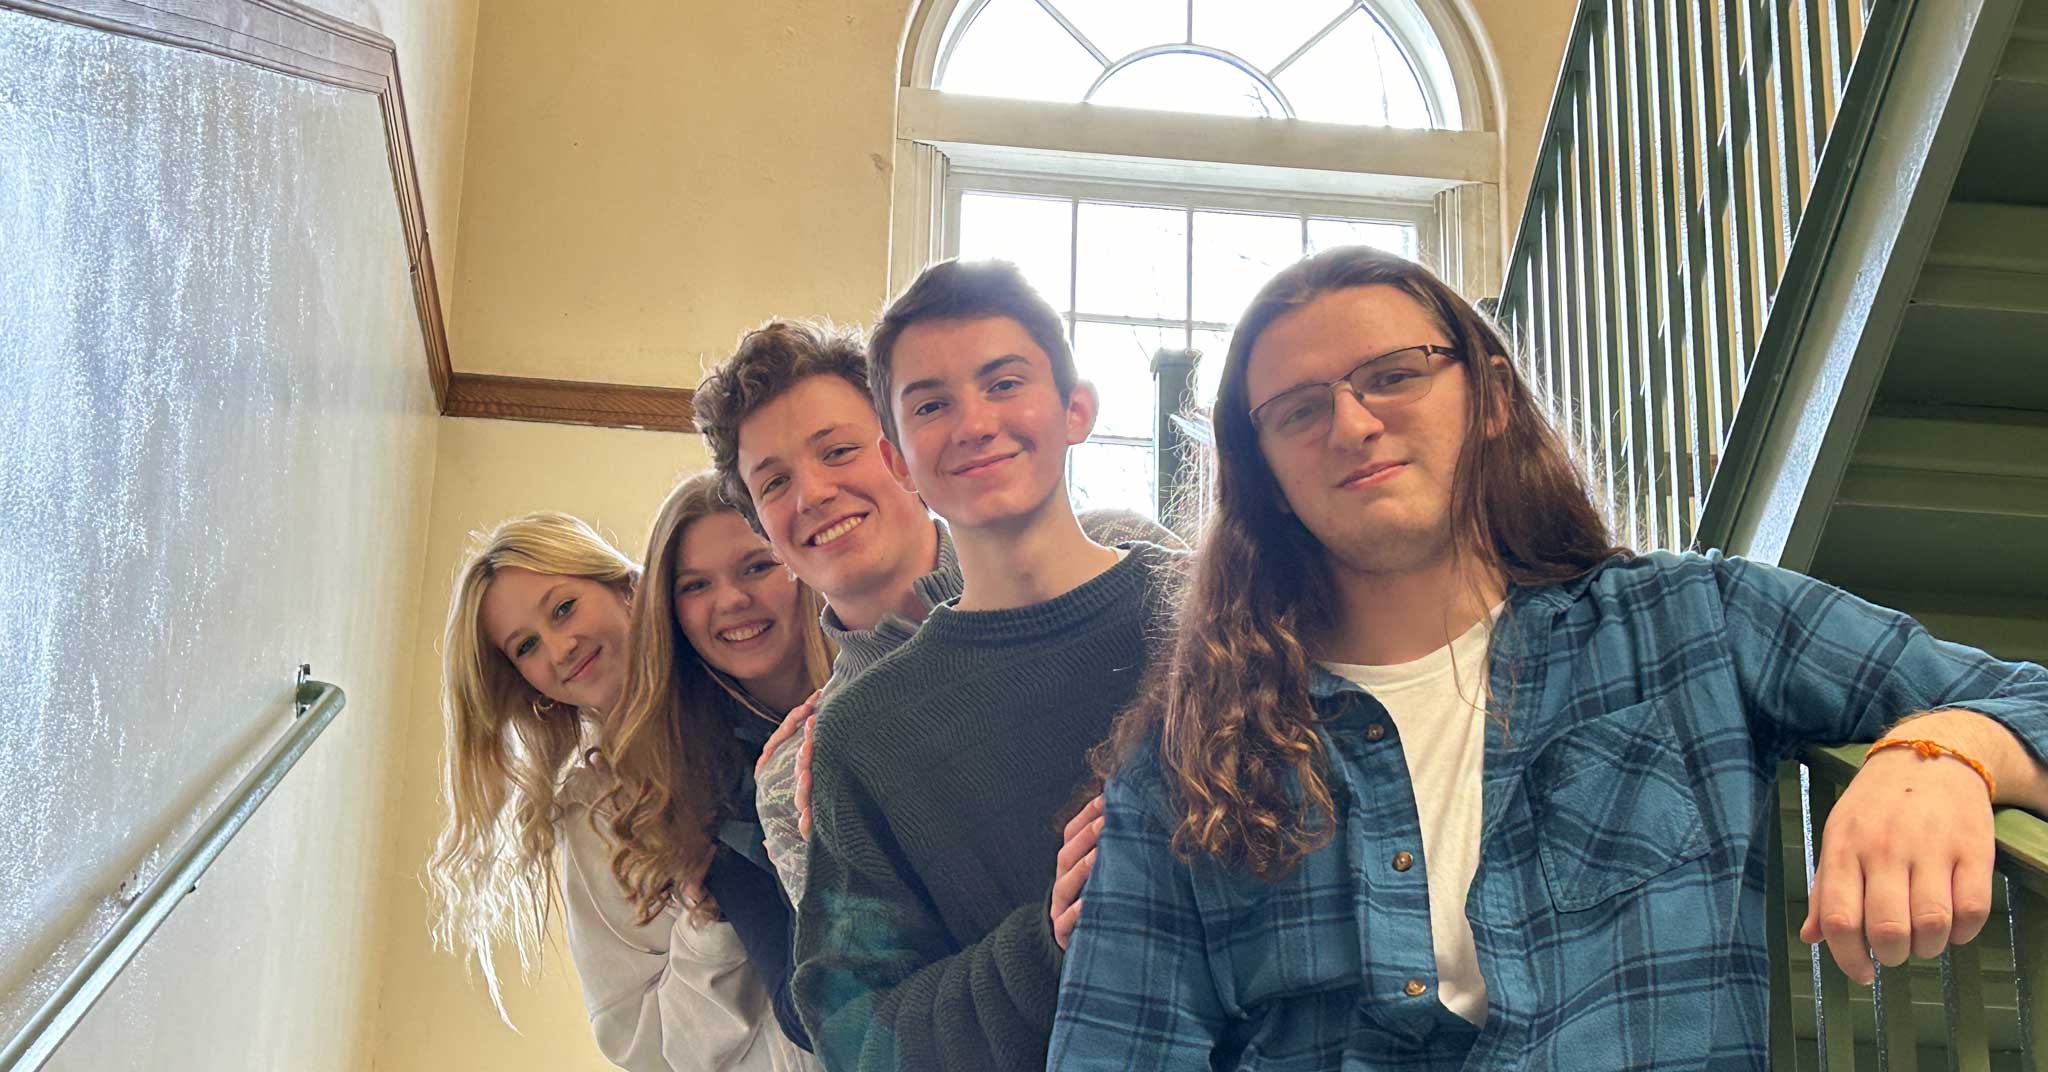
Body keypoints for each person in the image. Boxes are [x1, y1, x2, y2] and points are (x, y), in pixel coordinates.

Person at [1045, 245, 2048, 1070]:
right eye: (1298, 408)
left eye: (1392, 375)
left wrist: (1947, 749)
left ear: (1485, 396)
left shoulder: (1694, 620)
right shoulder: (1188, 763)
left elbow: (2024, 699)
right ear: (1259, 467)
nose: (1351, 423)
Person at [773, 259, 1177, 1071]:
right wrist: (1046, 947)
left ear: (1076, 408)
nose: (974, 422)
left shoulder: (1216, 614)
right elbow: (855, 1036)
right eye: (931, 404)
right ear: (897, 460)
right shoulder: (863, 735)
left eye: (1003, 382)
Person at [690, 320, 1175, 911]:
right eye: (774, 483)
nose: (811, 494)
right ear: (762, 531)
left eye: (839, 451)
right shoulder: (800, 775)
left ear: (902, 454)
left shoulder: (1118, 550)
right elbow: (869, 993)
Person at [424, 509, 815, 1071]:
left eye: (563, 609)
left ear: (626, 586)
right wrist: (706, 926)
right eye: (526, 647)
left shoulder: (753, 668)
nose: (559, 648)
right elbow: (647, 1052)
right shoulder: (590, 816)